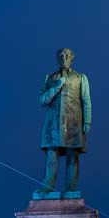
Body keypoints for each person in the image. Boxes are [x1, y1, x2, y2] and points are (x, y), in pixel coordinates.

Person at [37, 47, 91, 194]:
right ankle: (48, 187)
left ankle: (71, 189)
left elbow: (86, 101)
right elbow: (42, 100)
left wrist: (87, 122)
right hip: (53, 123)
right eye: (61, 56)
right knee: (51, 155)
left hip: (73, 122)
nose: (64, 58)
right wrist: (56, 87)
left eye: (67, 55)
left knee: (72, 155)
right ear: (57, 58)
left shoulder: (80, 78)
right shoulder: (50, 78)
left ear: (72, 58)